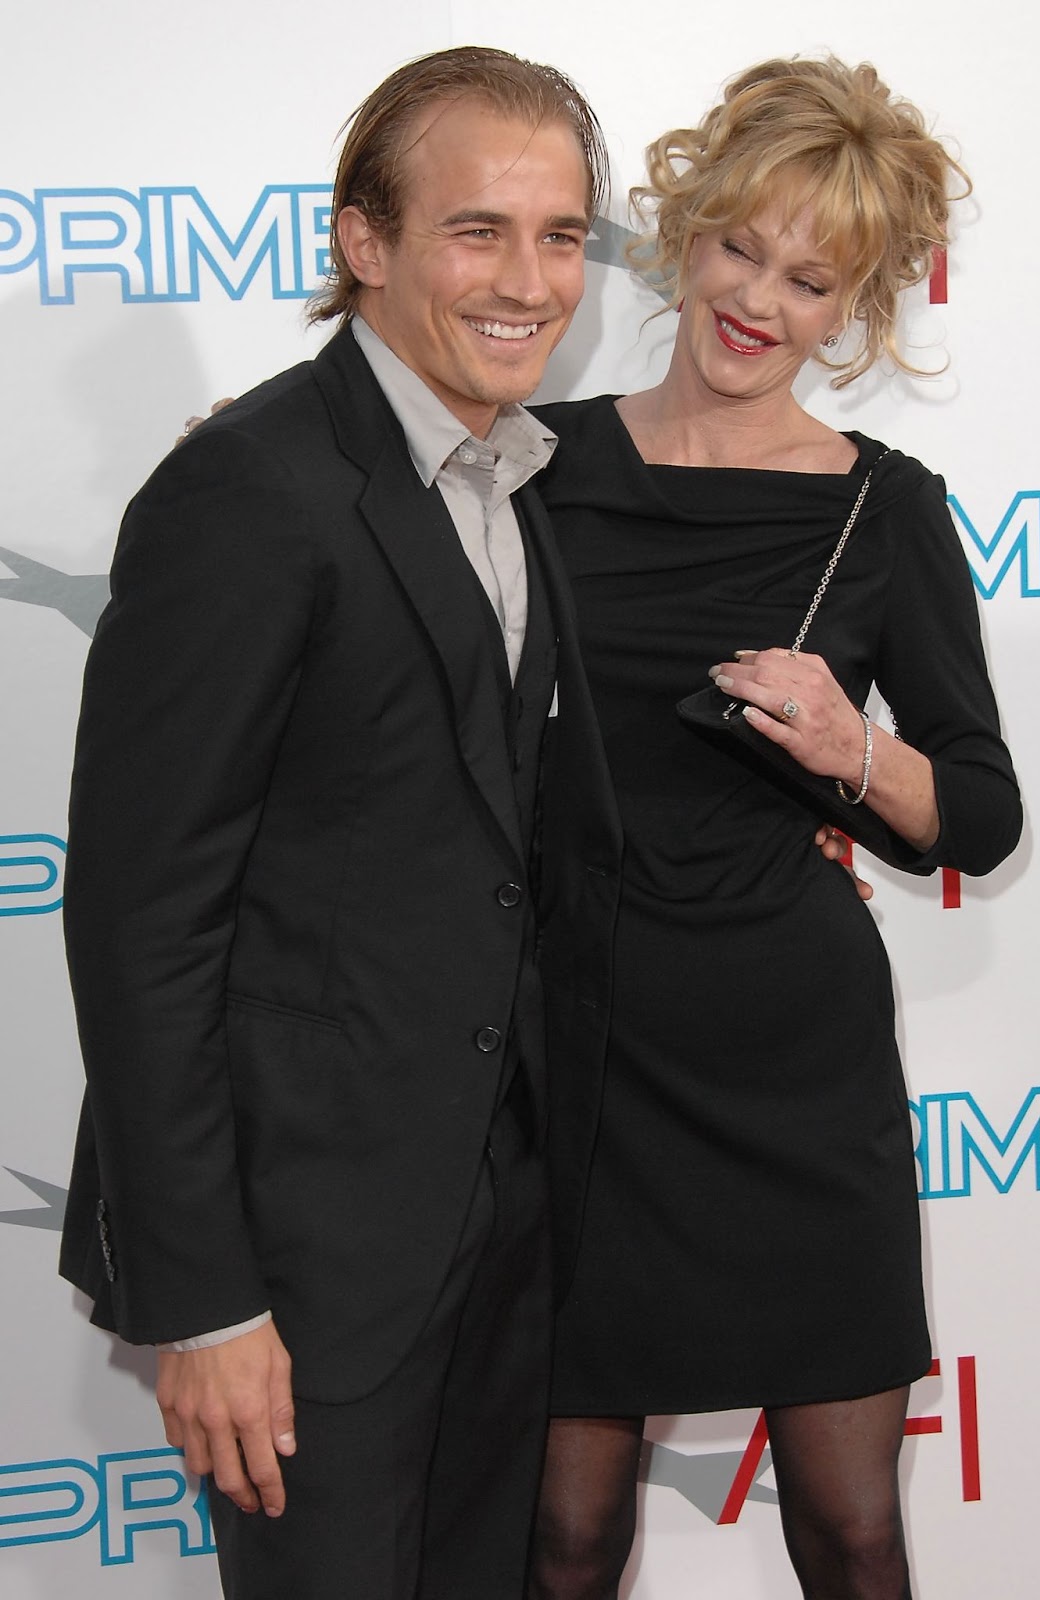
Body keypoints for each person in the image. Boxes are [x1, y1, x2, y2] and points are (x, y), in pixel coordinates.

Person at [57, 46, 624, 1600]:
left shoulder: (513, 482)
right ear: (361, 244)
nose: (529, 282)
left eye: (562, 235)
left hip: (496, 1233)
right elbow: (139, 918)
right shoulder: (250, 491)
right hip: (302, 1274)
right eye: (477, 230)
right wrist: (206, 1302)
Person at [525, 57, 1022, 1600]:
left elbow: (981, 818)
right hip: (573, 1051)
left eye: (814, 281)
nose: (760, 301)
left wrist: (851, 751)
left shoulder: (884, 511)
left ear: (857, 310)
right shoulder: (529, 469)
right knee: (561, 1530)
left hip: (791, 1069)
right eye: (742, 248)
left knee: (852, 1526)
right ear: (687, 233)